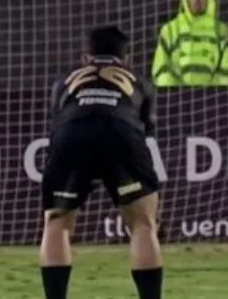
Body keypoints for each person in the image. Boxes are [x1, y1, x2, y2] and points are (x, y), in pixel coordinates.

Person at [40, 26, 162, 299]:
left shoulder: (64, 82)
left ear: (86, 58)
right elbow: (146, 130)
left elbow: (57, 122)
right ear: (126, 59)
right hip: (121, 132)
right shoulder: (139, 81)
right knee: (143, 223)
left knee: (56, 222)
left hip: (71, 133)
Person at [150, 0, 228, 87]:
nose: (197, 0)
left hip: (213, 95)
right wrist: (175, 89)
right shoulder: (170, 29)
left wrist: (212, 89)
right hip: (176, 94)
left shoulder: (221, 30)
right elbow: (160, 67)